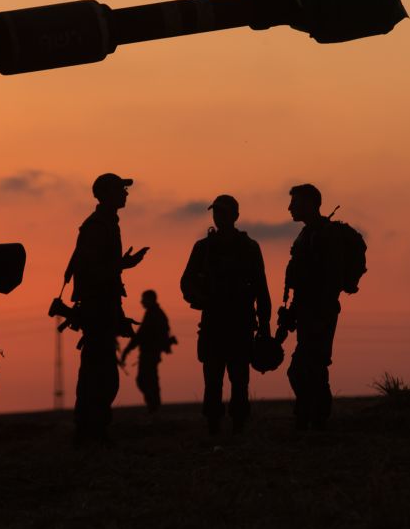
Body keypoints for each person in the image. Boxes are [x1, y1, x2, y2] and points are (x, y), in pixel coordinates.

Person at [180, 195, 271, 435]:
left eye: (223, 212)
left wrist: (265, 325)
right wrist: (199, 298)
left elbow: (261, 288)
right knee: (213, 380)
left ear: (235, 216)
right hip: (213, 323)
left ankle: (238, 424)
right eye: (216, 212)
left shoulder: (250, 248)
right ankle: (213, 426)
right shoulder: (203, 248)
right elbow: (187, 281)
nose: (218, 216)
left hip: (241, 324)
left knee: (240, 380)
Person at [68, 173, 148, 445]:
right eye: (121, 190)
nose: (126, 194)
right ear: (108, 194)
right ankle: (90, 432)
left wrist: (121, 265)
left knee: (100, 373)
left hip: (104, 306)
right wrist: (122, 266)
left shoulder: (106, 224)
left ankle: (92, 431)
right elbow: (92, 271)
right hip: (97, 308)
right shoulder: (97, 226)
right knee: (98, 374)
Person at [284, 184, 350, 431]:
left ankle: (315, 421)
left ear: (311, 204)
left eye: (296, 202)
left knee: (311, 368)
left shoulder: (324, 234)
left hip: (320, 313)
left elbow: (330, 280)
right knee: (306, 369)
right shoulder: (305, 235)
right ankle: (309, 419)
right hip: (307, 312)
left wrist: (319, 312)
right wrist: (293, 311)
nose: (290, 208)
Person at [120, 290, 176, 413]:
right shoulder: (153, 314)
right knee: (148, 380)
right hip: (150, 352)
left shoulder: (154, 314)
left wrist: (126, 351)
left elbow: (141, 335)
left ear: (150, 299)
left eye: (144, 299)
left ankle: (154, 407)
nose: (142, 302)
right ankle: (154, 407)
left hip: (150, 353)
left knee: (146, 380)